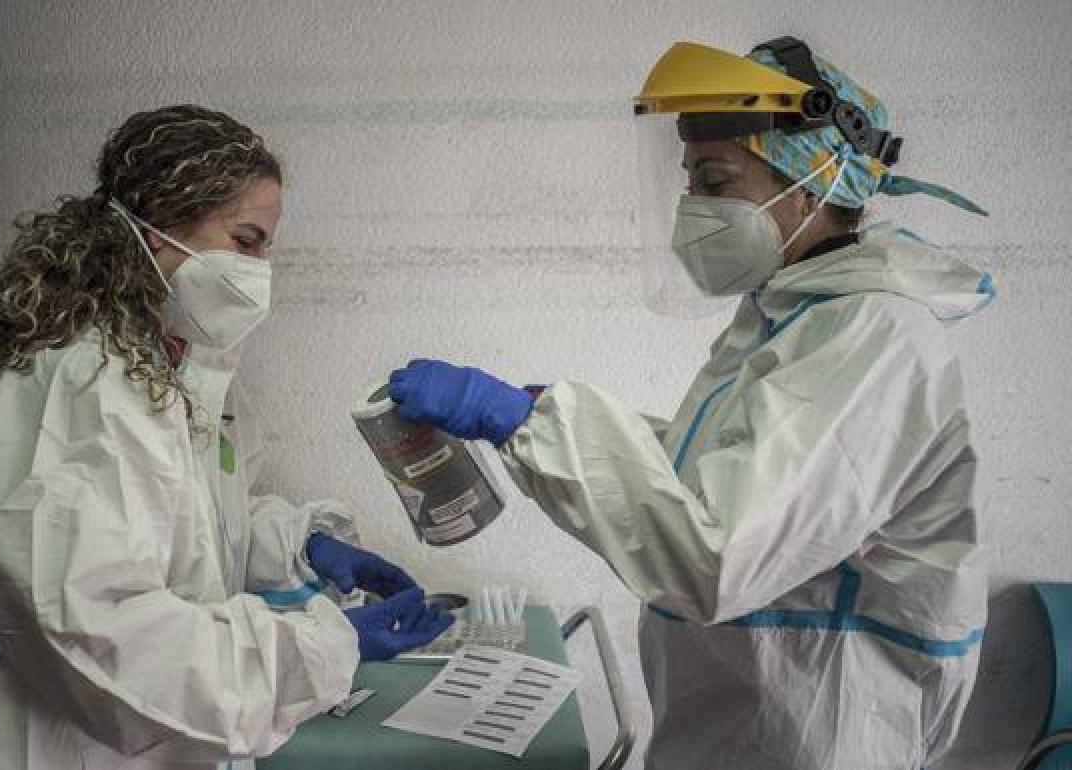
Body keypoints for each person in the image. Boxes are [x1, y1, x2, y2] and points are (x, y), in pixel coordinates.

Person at [388, 39, 993, 769]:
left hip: (820, 733)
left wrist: (532, 426)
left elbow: (719, 556)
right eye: (690, 181)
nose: (693, 207)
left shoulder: (871, 337)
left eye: (715, 179)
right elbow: (708, 476)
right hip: (748, 722)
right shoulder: (792, 316)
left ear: (813, 184)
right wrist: (538, 413)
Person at [0, 104, 452, 770]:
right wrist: (325, 646)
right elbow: (98, 632)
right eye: (245, 240)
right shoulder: (67, 383)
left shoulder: (173, 367)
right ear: (156, 228)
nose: (261, 269)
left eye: (267, 247)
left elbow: (189, 525)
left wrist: (299, 546)